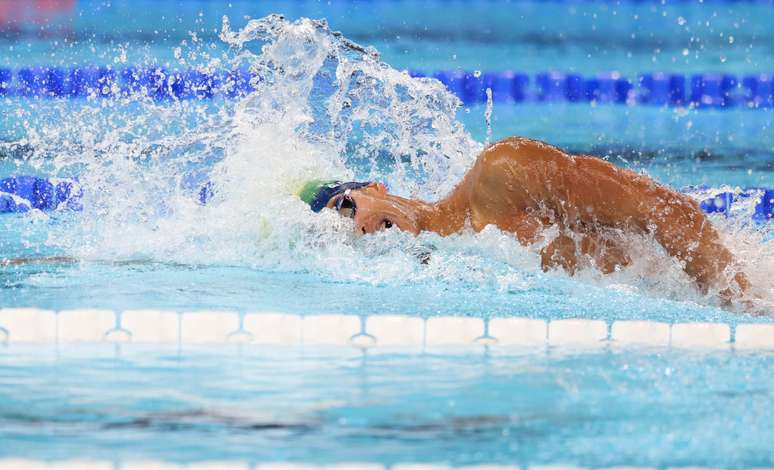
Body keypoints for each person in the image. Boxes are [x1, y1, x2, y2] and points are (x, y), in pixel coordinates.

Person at [298, 136, 751, 308]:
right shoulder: (451, 280)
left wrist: (742, 303)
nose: (357, 228)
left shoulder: (501, 173)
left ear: (375, 188)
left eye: (346, 206)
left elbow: (664, 212)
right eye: (345, 234)